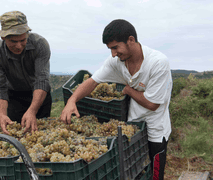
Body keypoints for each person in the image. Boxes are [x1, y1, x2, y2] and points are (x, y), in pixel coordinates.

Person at [60, 19, 172, 180]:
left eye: (115, 47)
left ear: (131, 40)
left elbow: (152, 104)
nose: (113, 54)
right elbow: (92, 82)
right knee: (137, 173)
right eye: (110, 49)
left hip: (156, 129)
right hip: (133, 128)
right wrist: (72, 100)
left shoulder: (157, 63)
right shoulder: (116, 62)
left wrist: (128, 90)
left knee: (154, 174)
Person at [0, 11, 52, 134]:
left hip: (39, 95)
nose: (19, 46)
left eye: (22, 40)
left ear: (27, 34)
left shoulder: (40, 44)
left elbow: (41, 80)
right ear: (3, 38)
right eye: (13, 42)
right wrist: (2, 115)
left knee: (41, 134)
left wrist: (32, 110)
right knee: (16, 135)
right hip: (14, 98)